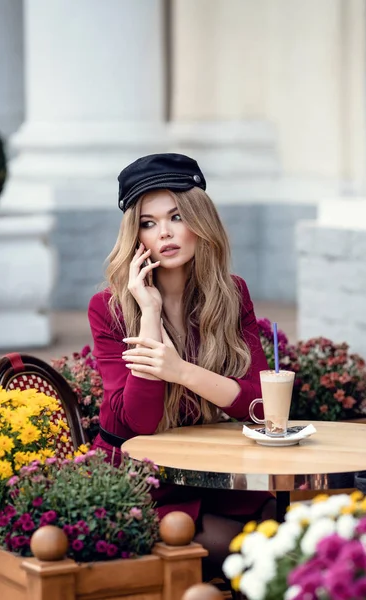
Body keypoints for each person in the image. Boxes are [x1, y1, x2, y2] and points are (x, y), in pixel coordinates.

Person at [88, 153, 276, 580]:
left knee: (280, 524)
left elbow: (262, 407)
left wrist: (182, 371)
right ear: (135, 236)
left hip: (210, 476)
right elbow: (140, 420)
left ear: (199, 222)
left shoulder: (231, 294)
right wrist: (150, 313)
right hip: (141, 481)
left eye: (176, 216)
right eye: (149, 223)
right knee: (244, 547)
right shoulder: (110, 309)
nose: (166, 233)